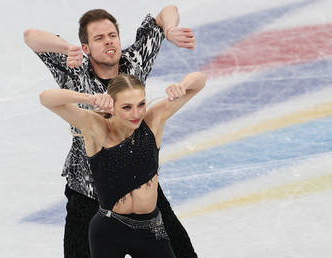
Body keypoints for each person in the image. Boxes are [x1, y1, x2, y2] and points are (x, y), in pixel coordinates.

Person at [24, 6, 197, 258]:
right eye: (99, 38)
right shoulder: (76, 67)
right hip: (88, 191)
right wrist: (67, 48)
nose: (108, 42)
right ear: (86, 48)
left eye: (112, 35)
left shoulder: (134, 62)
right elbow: (31, 36)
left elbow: (167, 11)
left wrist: (169, 29)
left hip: (139, 190)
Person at [39, 71, 206, 257]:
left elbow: (199, 81)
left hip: (151, 229)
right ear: (112, 106)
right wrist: (89, 99)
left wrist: (182, 86)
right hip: (110, 230)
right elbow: (46, 98)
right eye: (127, 107)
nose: (136, 113)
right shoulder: (98, 129)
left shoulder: (153, 121)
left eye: (141, 104)